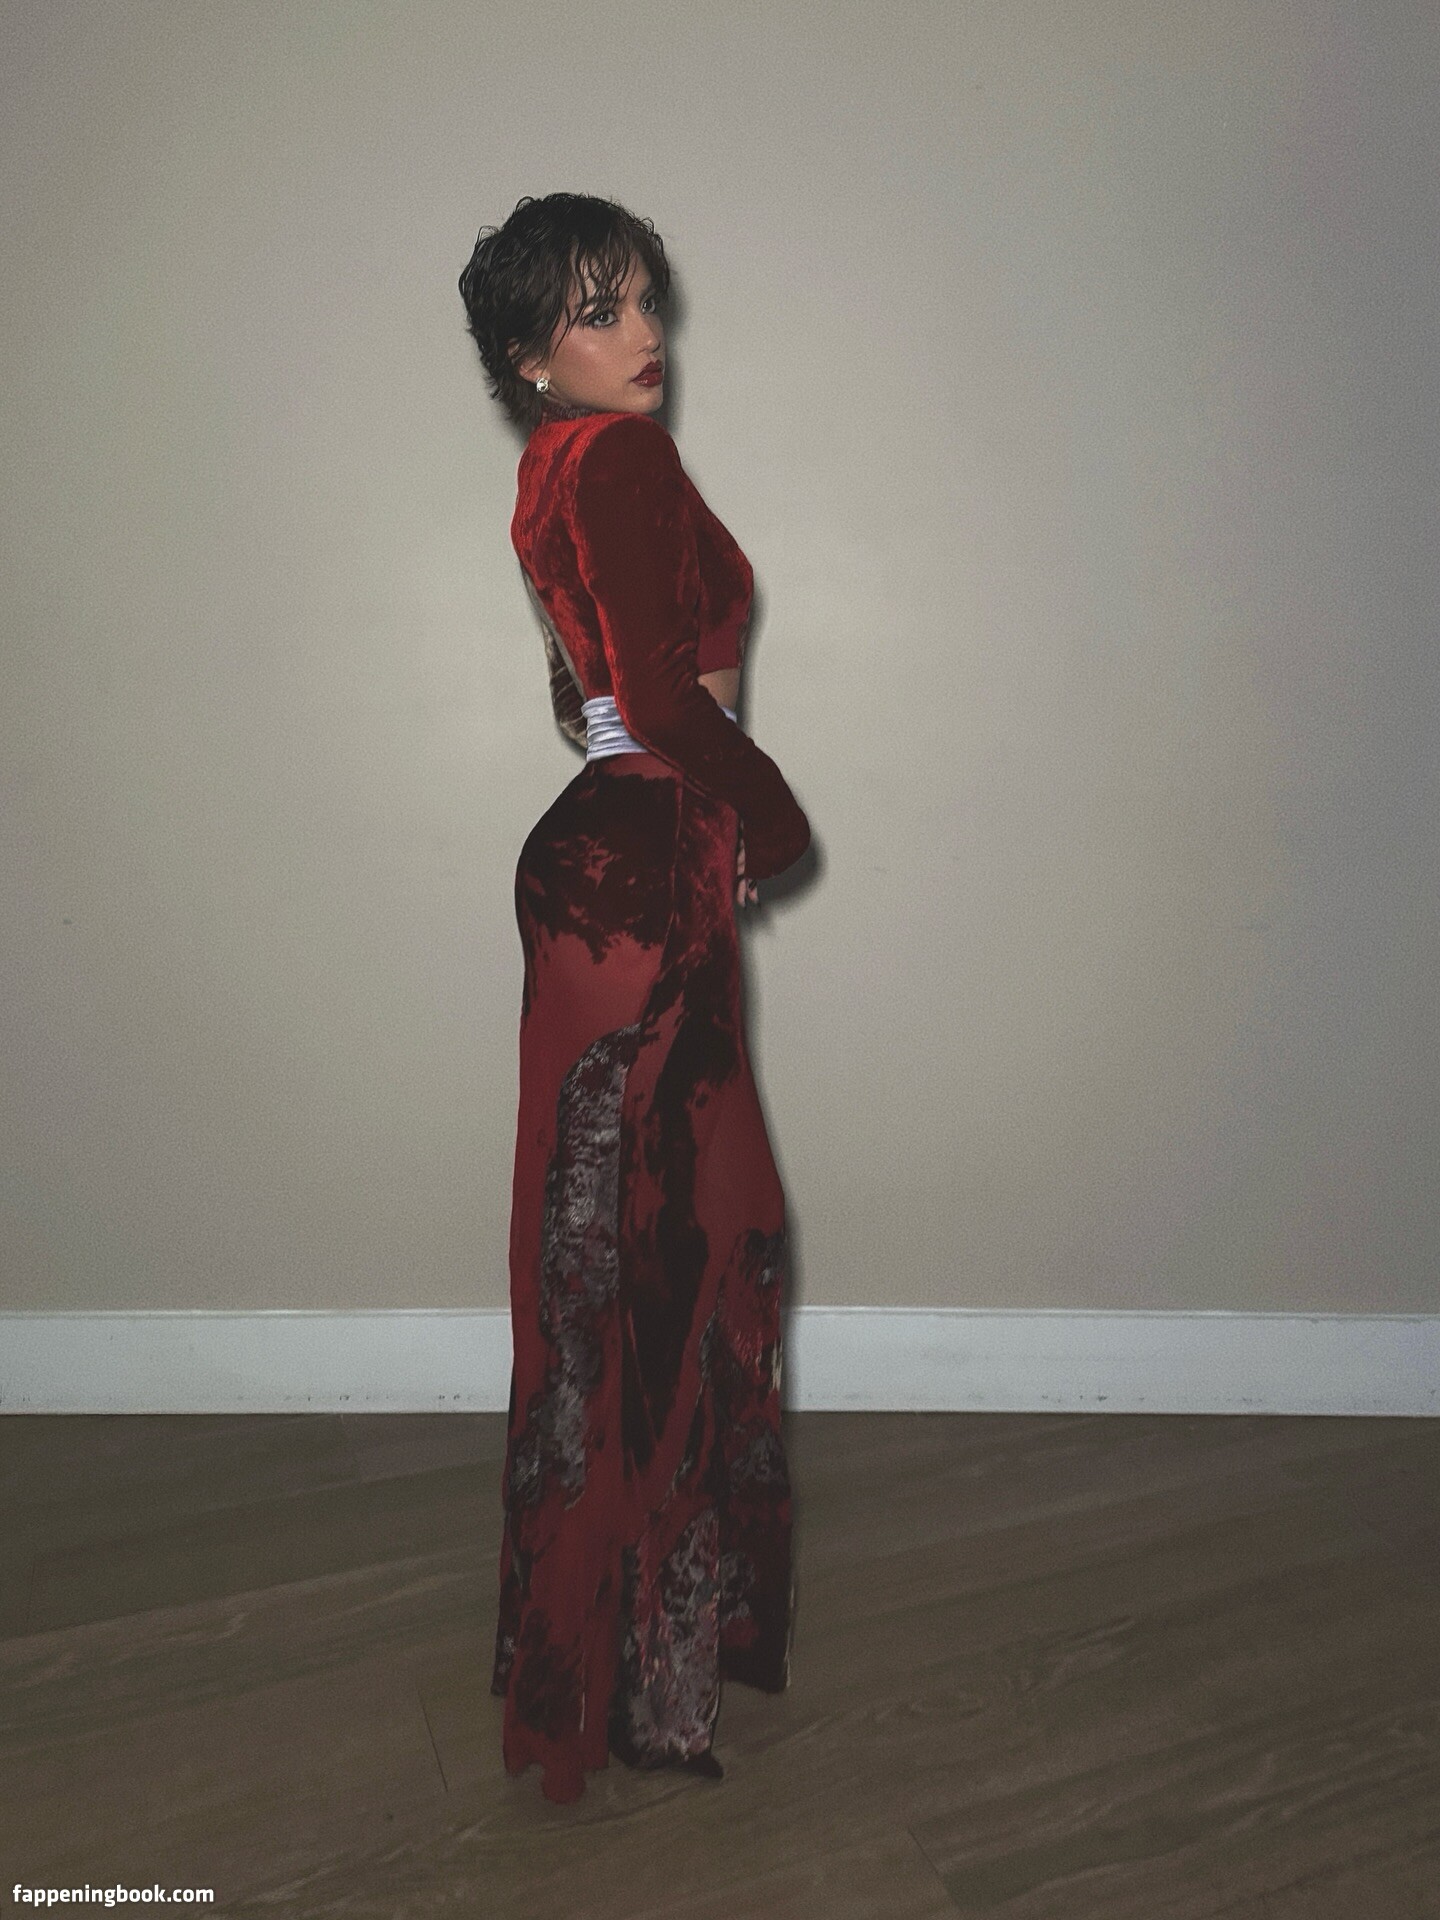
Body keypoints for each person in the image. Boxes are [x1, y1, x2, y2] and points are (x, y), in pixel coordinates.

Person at [457, 192, 811, 1805]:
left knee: (608, 1254)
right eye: (598, 312)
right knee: (670, 1254)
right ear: (532, 354)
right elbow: (659, 695)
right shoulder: (623, 458)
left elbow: (588, 689)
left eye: (645, 298)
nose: (643, 334)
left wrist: (676, 802)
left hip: (604, 862)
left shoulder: (551, 468)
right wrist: (770, 825)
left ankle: (586, 1658)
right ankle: (641, 1682)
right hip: (645, 869)